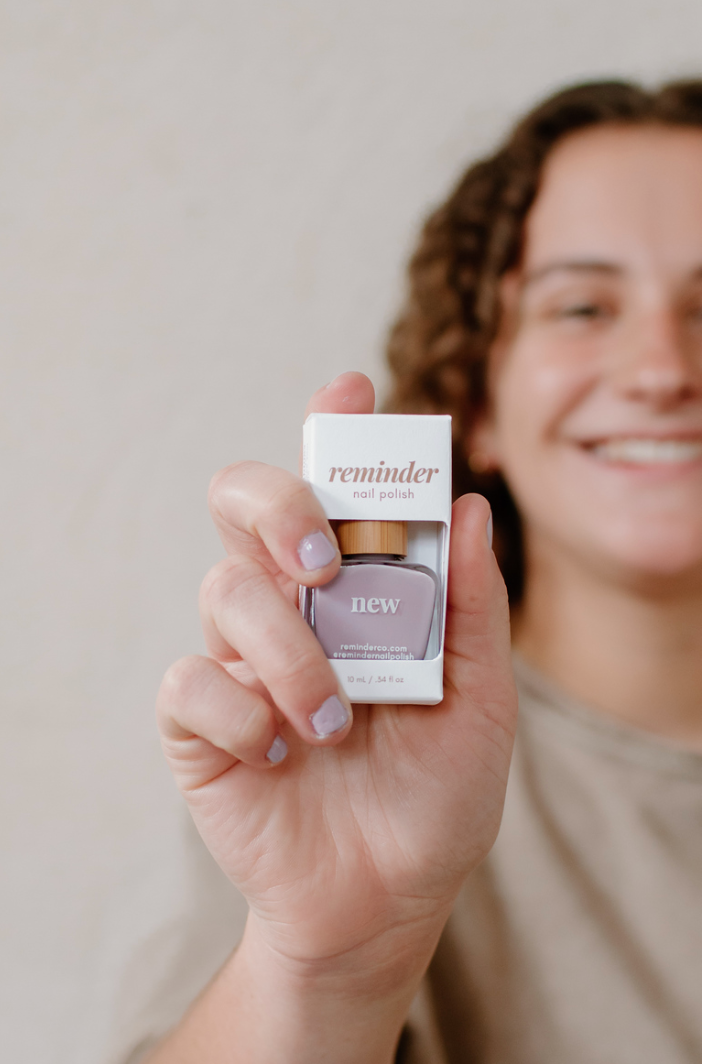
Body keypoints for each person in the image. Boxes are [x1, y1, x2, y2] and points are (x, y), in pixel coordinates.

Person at [146, 80, 702, 1063]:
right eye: (582, 306)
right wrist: (323, 964)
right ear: (477, 400)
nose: (663, 371)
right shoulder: (350, 745)